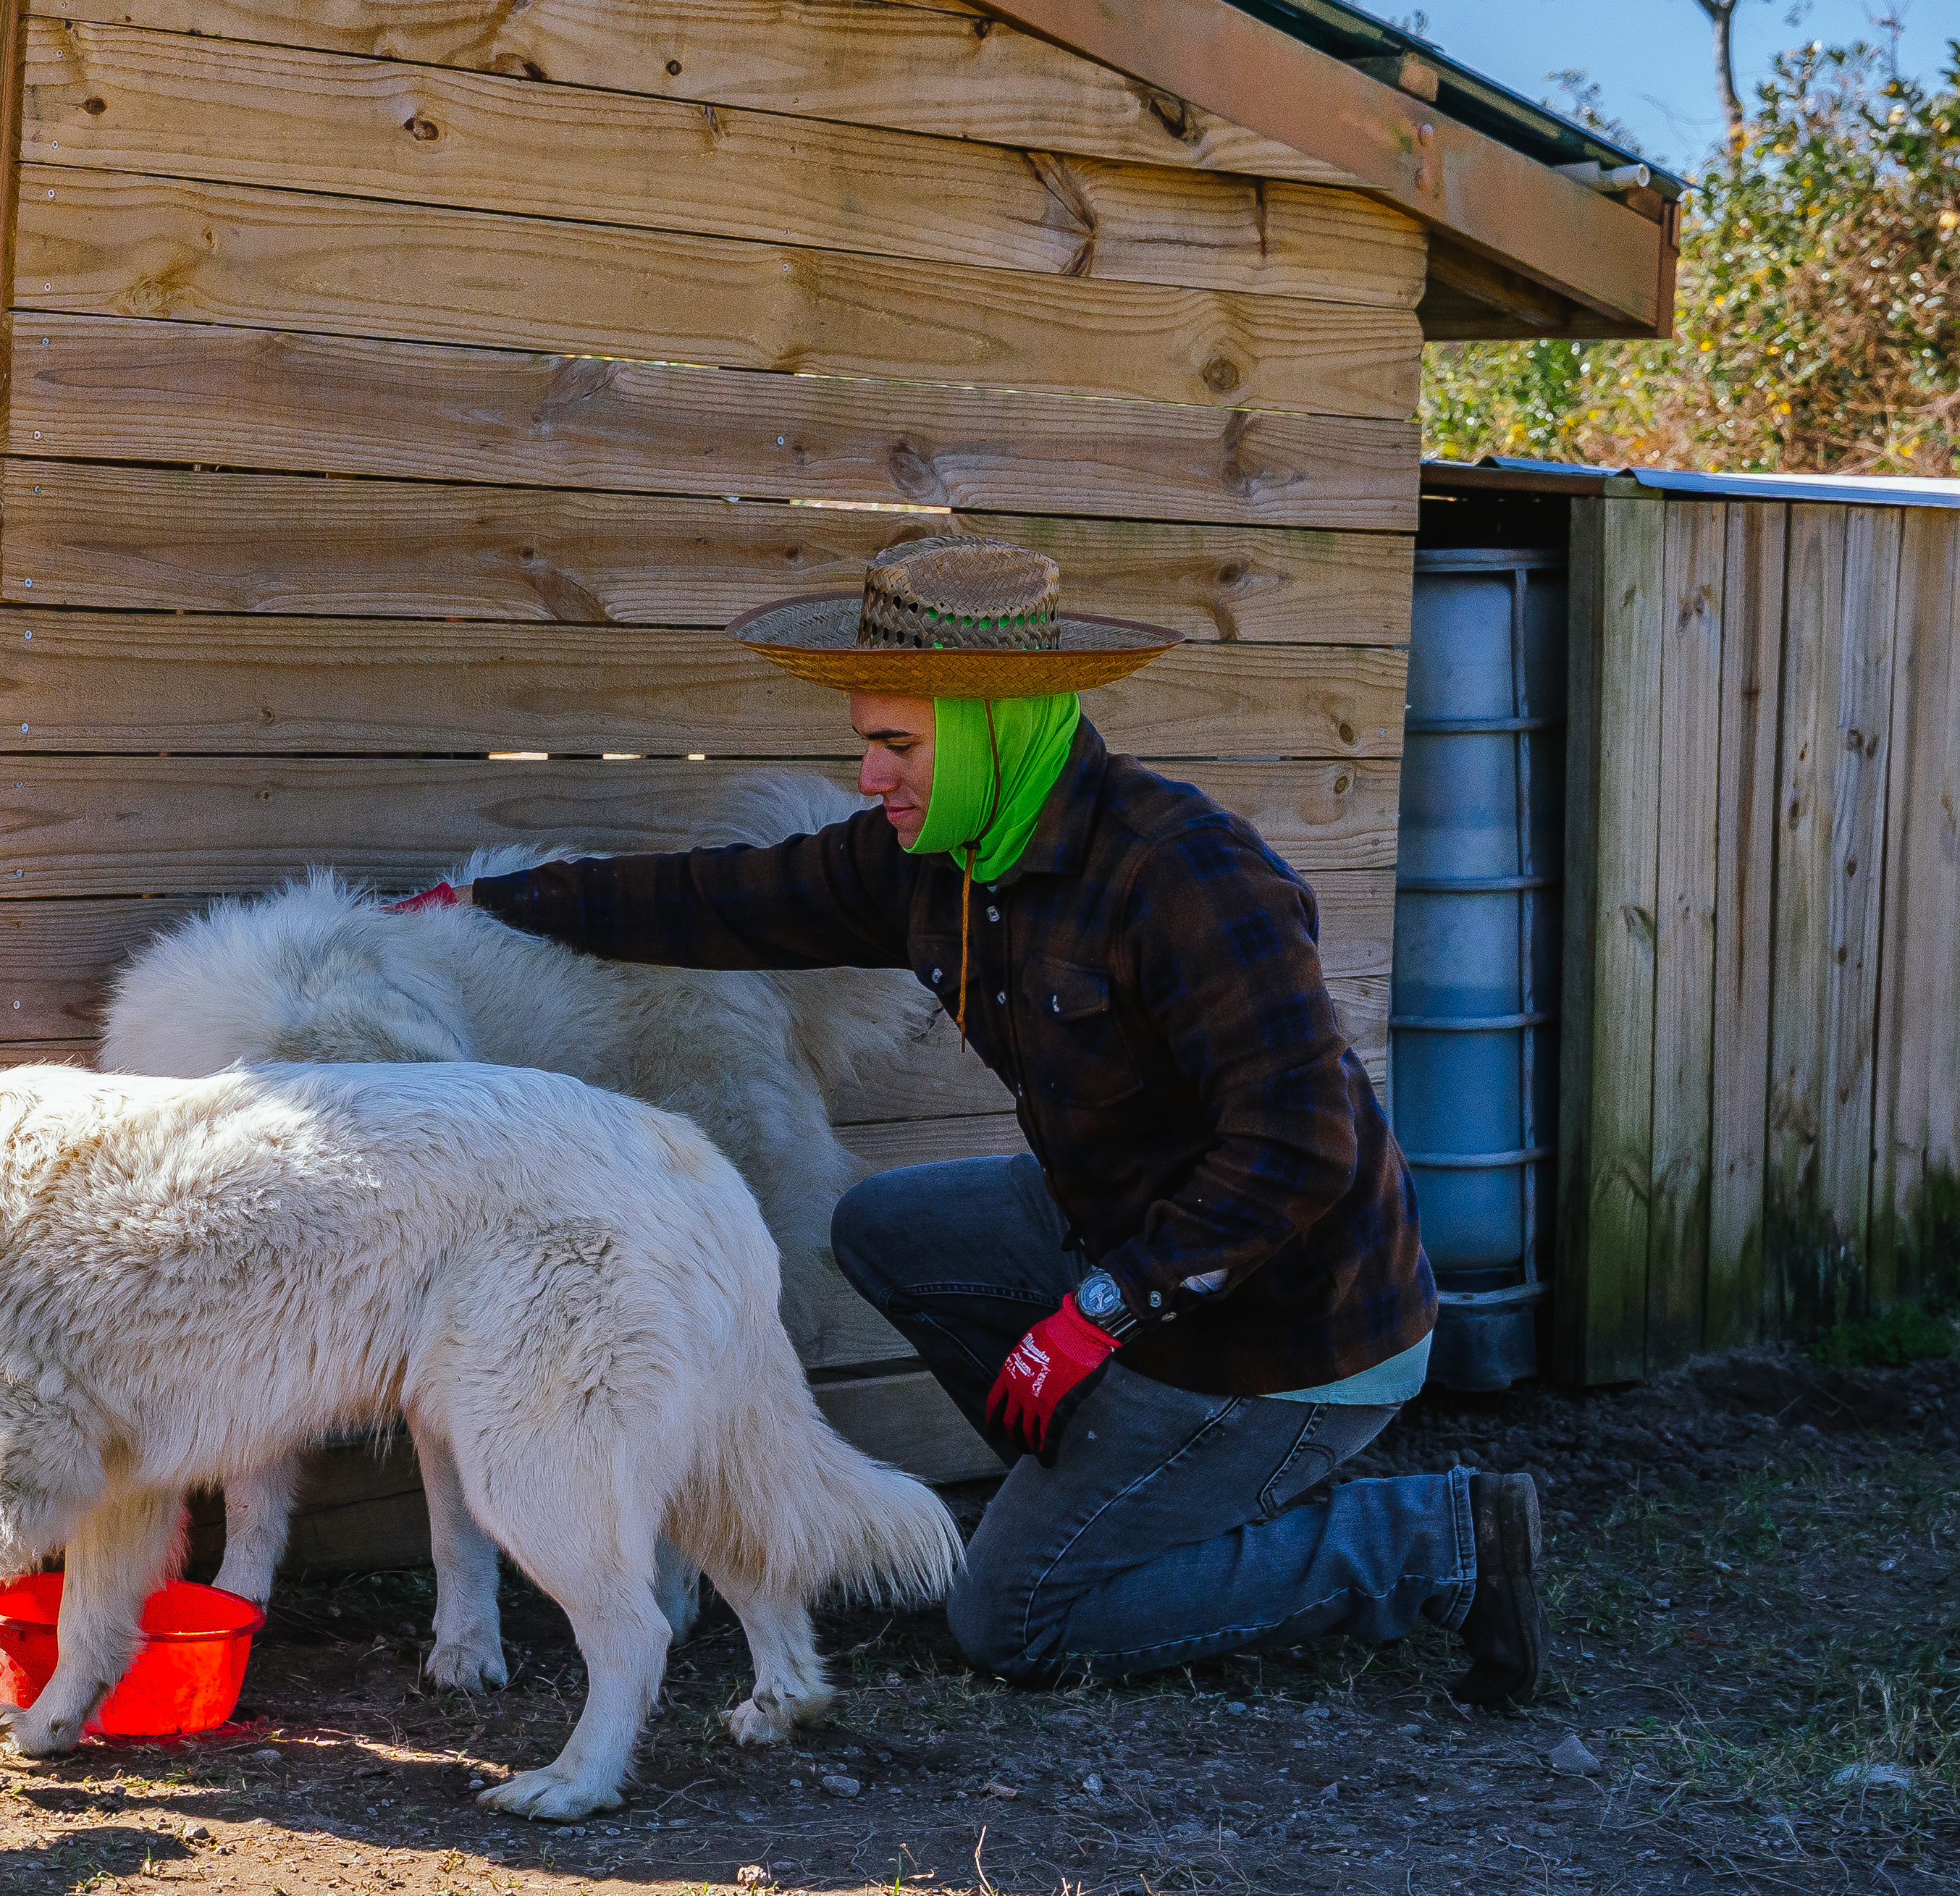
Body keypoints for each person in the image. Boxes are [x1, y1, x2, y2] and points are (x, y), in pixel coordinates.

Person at [411, 534, 1547, 1705]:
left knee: (1013, 1616)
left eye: (894, 744)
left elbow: (1302, 1150)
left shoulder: (1188, 875)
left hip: (1291, 1327)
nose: (867, 777)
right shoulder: (940, 854)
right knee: (887, 1228)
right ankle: (1117, 1499)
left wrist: (1095, 1318)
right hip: (1126, 1242)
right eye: (868, 743)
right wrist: (493, 901)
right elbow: (717, 901)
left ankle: (1438, 1539)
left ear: (997, 730)